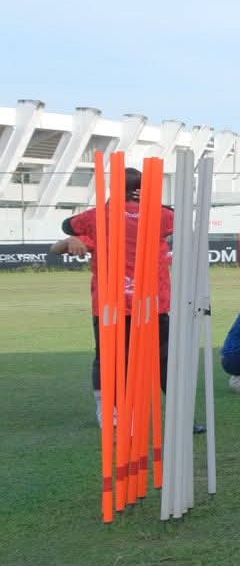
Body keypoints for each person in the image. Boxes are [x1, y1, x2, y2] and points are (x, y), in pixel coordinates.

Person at [54, 165, 173, 424]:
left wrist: (72, 238)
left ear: (113, 188)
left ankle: (109, 411)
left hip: (111, 304)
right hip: (153, 302)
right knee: (162, 359)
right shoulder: (160, 215)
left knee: (107, 359)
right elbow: (181, 218)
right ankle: (179, 414)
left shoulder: (98, 217)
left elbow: (66, 226)